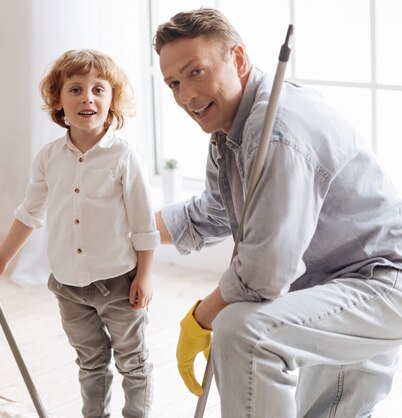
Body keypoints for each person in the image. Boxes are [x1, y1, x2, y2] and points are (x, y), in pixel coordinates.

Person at [153, 7, 402, 417]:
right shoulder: (230, 131)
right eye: (173, 83)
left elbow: (264, 273)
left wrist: (201, 317)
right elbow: (217, 210)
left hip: (379, 283)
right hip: (332, 284)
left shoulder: (278, 129)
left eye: (195, 72)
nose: (185, 97)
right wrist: (131, 230)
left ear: (237, 59)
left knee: (244, 332)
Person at [0, 49, 159, 418]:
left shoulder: (125, 157)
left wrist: (145, 274)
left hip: (118, 283)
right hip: (68, 286)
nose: (87, 98)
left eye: (98, 90)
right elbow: (30, 213)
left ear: (112, 101)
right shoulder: (48, 157)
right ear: (58, 101)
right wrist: (2, 256)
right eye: (75, 89)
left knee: (133, 361)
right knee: (90, 361)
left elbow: (144, 225)